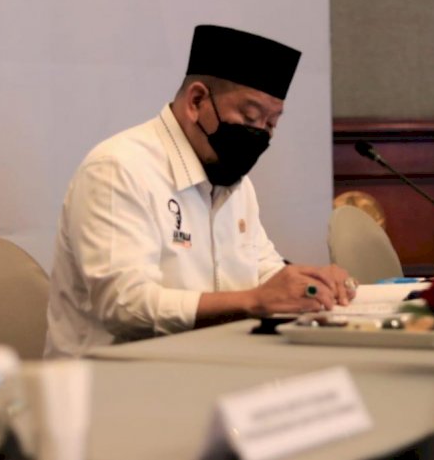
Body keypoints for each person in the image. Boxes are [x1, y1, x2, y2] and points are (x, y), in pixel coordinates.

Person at [45, 25, 356, 358]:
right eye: (250, 117)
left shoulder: (233, 180)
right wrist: (253, 301)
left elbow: (262, 269)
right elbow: (125, 305)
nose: (259, 135)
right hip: (112, 378)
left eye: (270, 124)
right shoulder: (118, 168)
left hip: (209, 365)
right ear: (196, 101)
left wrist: (311, 283)